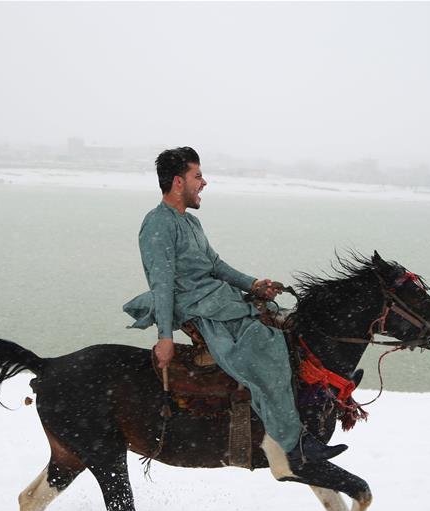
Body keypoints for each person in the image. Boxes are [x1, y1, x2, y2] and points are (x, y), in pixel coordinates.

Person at [123, 147, 346, 465]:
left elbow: (216, 265)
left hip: (220, 301)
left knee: (289, 324)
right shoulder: (157, 224)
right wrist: (165, 337)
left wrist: (253, 285)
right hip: (199, 310)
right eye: (198, 176)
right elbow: (161, 283)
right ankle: (294, 442)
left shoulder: (191, 223)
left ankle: (319, 399)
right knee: (268, 348)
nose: (204, 183)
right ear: (178, 182)